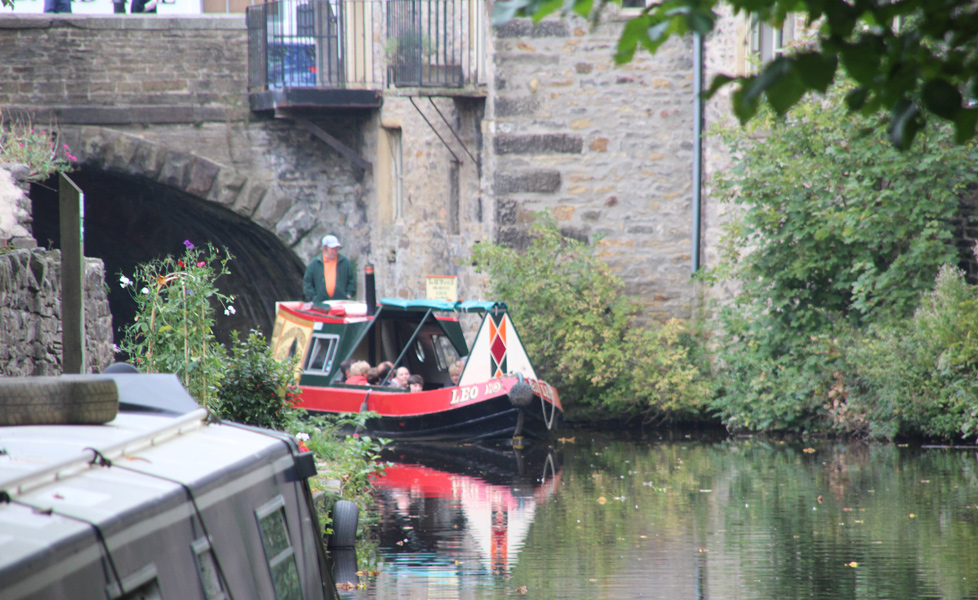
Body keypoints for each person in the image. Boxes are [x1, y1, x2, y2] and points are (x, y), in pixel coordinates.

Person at [303, 234, 357, 303]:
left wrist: (348, 294)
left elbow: (351, 281)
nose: (335, 251)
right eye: (332, 249)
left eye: (336, 248)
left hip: (341, 302)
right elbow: (307, 282)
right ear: (324, 248)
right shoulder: (315, 263)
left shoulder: (345, 262)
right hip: (321, 303)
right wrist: (314, 298)